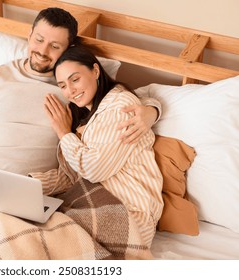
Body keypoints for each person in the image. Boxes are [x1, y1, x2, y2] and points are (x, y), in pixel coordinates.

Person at [0, 7, 161, 260]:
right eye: (39, 39)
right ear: (30, 36)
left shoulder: (72, 89)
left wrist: (151, 110)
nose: (43, 51)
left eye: (55, 46)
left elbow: (118, 97)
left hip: (19, 192)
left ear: (67, 50)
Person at [31, 44, 164, 248]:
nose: (70, 91)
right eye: (63, 85)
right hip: (95, 206)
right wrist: (30, 184)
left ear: (95, 70)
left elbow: (93, 170)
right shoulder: (86, 116)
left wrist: (63, 133)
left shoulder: (120, 106)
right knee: (13, 222)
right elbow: (73, 175)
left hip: (130, 214)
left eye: (75, 79)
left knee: (31, 237)